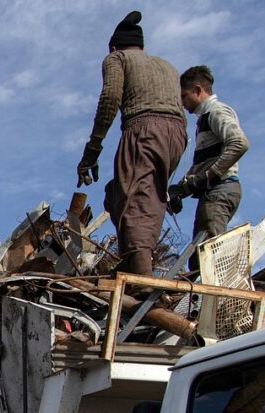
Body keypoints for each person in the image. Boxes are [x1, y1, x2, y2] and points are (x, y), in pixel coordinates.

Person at [76, 10, 188, 276]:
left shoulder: (117, 58)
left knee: (135, 201)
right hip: (178, 136)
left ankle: (142, 277)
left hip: (144, 129)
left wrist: (92, 150)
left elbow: (110, 99)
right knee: (130, 195)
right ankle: (133, 259)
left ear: (113, 46)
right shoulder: (167, 66)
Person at [168, 65, 250, 271]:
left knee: (210, 254)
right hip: (214, 190)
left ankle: (212, 301)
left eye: (184, 96)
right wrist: (181, 189)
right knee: (199, 256)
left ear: (198, 90)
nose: (183, 103)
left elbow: (239, 143)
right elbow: (203, 165)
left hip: (221, 189)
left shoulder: (216, 111)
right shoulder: (203, 120)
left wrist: (210, 176)